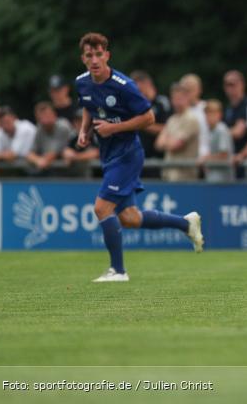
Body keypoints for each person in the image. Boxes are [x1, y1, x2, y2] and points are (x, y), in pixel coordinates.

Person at [75, 33, 203, 283]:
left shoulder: (124, 85)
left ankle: (118, 271)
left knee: (101, 208)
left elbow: (149, 118)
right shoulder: (81, 82)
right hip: (108, 154)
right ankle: (186, 224)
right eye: (89, 55)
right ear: (83, 58)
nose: (95, 60)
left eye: (99, 54)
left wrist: (114, 128)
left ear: (107, 55)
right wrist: (84, 131)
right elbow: (88, 107)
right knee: (130, 218)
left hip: (127, 155)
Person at [155, 82, 201, 182]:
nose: (177, 102)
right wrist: (169, 141)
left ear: (188, 98)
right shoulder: (171, 119)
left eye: (180, 98)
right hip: (168, 174)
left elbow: (175, 145)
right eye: (174, 98)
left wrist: (167, 139)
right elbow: (158, 144)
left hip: (185, 177)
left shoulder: (191, 119)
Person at [131, 70, 172, 178]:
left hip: (156, 157)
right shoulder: (135, 104)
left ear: (147, 84)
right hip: (137, 157)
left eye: (138, 88)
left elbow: (168, 128)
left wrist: (141, 123)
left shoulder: (161, 102)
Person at [26, 102, 75, 175]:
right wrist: (38, 160)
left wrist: (42, 160)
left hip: (72, 172)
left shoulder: (63, 127)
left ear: (54, 115)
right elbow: (30, 154)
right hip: (51, 171)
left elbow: (54, 153)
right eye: (41, 117)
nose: (45, 120)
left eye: (47, 115)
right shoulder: (40, 129)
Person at [201, 99, 234, 183]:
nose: (209, 117)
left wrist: (206, 159)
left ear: (219, 115)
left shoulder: (221, 130)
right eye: (207, 113)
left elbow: (224, 155)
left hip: (223, 180)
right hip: (214, 177)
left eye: (212, 113)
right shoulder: (211, 130)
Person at [223, 70, 247, 162]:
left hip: (246, 158)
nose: (230, 88)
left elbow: (238, 132)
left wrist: (219, 134)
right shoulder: (228, 108)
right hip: (232, 158)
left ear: (242, 84)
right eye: (227, 85)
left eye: (233, 84)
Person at [180, 73, 210, 159]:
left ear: (199, 89)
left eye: (191, 89)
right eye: (185, 90)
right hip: (185, 158)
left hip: (206, 158)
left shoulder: (207, 108)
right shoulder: (179, 112)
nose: (187, 93)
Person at [61, 108, 99, 175]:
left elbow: (96, 153)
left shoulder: (96, 134)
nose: (79, 124)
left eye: (81, 121)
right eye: (77, 121)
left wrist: (75, 157)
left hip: (97, 176)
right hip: (78, 176)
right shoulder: (74, 137)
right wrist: (67, 154)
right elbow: (66, 151)